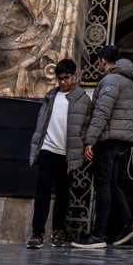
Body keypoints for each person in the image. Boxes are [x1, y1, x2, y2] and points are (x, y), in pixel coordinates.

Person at [71, 45, 133, 249]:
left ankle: (98, 234)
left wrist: (90, 140)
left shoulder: (110, 81)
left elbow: (102, 112)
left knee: (102, 185)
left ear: (101, 60)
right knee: (111, 183)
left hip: (109, 139)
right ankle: (128, 223)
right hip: (121, 140)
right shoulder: (127, 81)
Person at [26, 58, 92, 249]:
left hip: (67, 154)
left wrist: (85, 145)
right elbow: (42, 122)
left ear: (74, 76)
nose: (62, 82)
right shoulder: (50, 96)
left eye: (66, 78)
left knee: (63, 195)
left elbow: (87, 126)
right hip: (48, 149)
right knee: (43, 193)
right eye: (60, 79)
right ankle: (37, 233)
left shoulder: (83, 99)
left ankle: (58, 232)